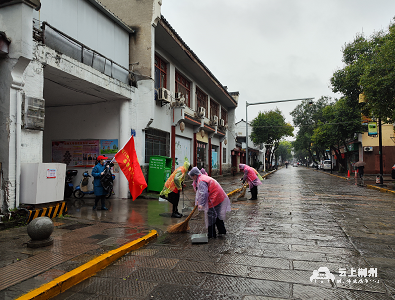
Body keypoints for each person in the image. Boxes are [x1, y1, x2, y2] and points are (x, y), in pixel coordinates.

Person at [188, 167, 231, 239]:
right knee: (217, 215)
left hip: (214, 198)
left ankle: (211, 235)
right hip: (219, 196)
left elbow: (203, 193)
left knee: (210, 217)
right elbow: (201, 192)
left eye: (192, 176)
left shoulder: (201, 181)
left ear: (195, 175)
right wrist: (199, 200)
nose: (192, 178)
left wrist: (201, 204)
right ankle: (222, 231)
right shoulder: (202, 177)